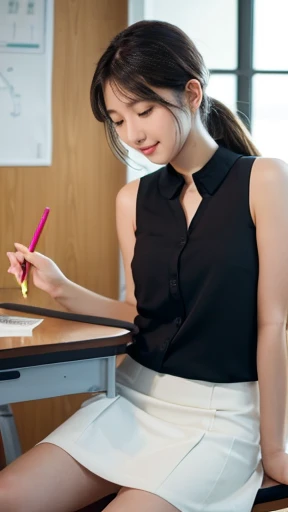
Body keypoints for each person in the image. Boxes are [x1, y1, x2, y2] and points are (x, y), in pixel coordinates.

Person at [2, 19, 288, 512]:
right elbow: (140, 313)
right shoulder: (131, 199)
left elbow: (275, 324)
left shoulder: (263, 181)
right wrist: (61, 286)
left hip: (222, 415)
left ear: (192, 93)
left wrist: (275, 448)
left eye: (144, 110)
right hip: (133, 397)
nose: (132, 133)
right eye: (117, 119)